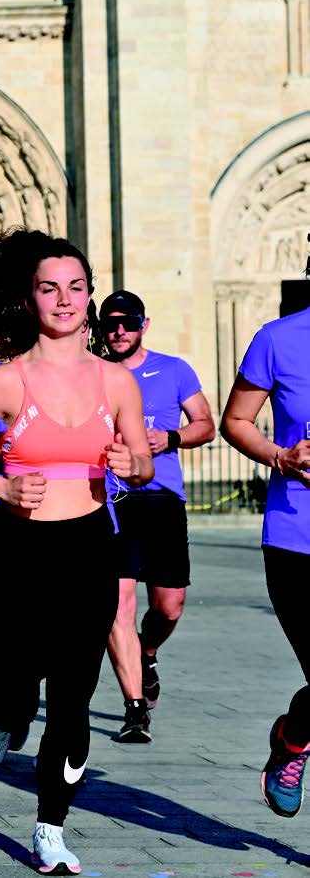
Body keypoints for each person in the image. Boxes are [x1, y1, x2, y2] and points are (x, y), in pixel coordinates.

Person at [0, 229, 153, 875]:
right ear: (28, 301)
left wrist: (130, 463)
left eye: (76, 288)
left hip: (88, 544)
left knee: (73, 694)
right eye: (48, 287)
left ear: (88, 299)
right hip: (18, 548)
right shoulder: (5, 382)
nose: (64, 299)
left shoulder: (116, 382)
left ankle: (49, 829)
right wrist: (0, 483)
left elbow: (140, 458)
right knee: (15, 690)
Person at [99, 291, 215, 744]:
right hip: (112, 501)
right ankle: (134, 709)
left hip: (163, 499)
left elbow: (206, 423)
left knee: (169, 606)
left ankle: (146, 653)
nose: (119, 331)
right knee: (119, 605)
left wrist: (169, 437)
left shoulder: (174, 369)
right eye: (111, 324)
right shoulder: (93, 373)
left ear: (144, 324)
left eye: (128, 323)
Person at [220, 302, 310, 819]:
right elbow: (236, 421)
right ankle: (294, 742)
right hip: (297, 538)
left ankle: (293, 737)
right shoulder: (278, 339)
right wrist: (282, 455)